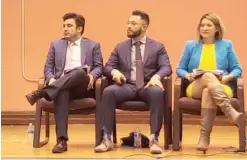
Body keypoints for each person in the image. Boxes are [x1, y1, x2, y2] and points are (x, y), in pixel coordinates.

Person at [94, 10, 172, 154]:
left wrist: (157, 77)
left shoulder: (157, 47)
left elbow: (166, 67)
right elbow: (108, 66)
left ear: (144, 27)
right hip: (127, 86)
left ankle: (154, 139)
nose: (128, 26)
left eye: (133, 23)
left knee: (157, 92)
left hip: (147, 85)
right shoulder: (120, 47)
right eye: (128, 23)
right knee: (108, 91)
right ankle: (107, 139)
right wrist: (114, 72)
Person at [25, 13, 104, 153]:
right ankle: (61, 141)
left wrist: (92, 74)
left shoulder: (93, 45)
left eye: (69, 26)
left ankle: (43, 92)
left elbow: (99, 66)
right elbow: (48, 68)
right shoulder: (56, 44)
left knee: (80, 71)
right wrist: (51, 79)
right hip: (61, 86)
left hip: (83, 86)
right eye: (64, 26)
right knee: (61, 91)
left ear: (79, 29)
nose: (65, 29)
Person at [176, 13, 244, 152]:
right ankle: (229, 111)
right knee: (207, 75)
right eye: (202, 25)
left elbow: (237, 69)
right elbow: (179, 69)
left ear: (217, 29)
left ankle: (204, 138)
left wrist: (225, 78)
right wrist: (188, 75)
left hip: (221, 85)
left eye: (209, 25)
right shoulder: (191, 45)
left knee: (208, 91)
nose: (204, 28)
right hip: (195, 86)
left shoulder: (226, 45)